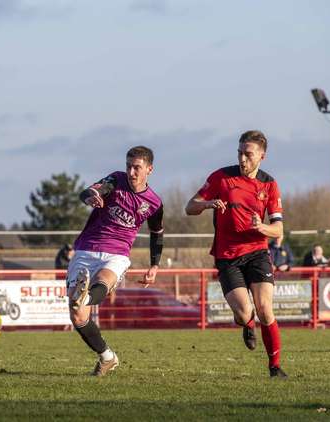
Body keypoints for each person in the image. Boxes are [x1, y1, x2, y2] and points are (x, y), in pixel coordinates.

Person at [185, 130, 287, 379]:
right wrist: (208, 204)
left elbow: (278, 229)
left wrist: (261, 227)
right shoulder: (221, 177)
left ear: (262, 156)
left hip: (257, 252)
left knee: (265, 308)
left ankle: (275, 368)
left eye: (248, 154)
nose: (242, 159)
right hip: (228, 255)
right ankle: (247, 324)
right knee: (243, 313)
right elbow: (189, 207)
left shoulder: (269, 184)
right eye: (240, 153)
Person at [67, 146, 163, 377]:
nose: (131, 172)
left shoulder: (154, 203)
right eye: (129, 166)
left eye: (137, 167)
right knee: (78, 315)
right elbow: (89, 191)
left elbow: (157, 233)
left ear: (149, 169)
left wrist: (154, 265)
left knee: (102, 281)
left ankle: (86, 296)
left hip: (117, 254)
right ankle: (107, 357)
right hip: (86, 250)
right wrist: (92, 196)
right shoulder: (116, 180)